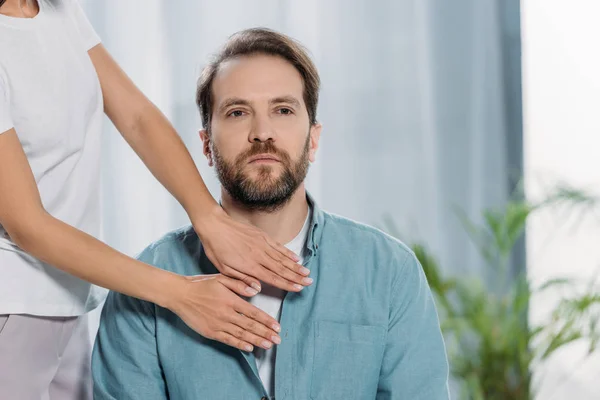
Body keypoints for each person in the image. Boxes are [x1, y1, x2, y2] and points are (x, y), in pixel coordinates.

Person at [92, 28, 450, 400]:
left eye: (283, 110)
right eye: (237, 112)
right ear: (206, 146)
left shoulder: (388, 273)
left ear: (313, 138)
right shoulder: (146, 287)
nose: (262, 133)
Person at [0, 1, 313, 399]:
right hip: (13, 305)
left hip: (65, 301)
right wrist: (181, 294)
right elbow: (28, 225)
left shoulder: (57, 11)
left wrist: (208, 217)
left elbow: (137, 117)